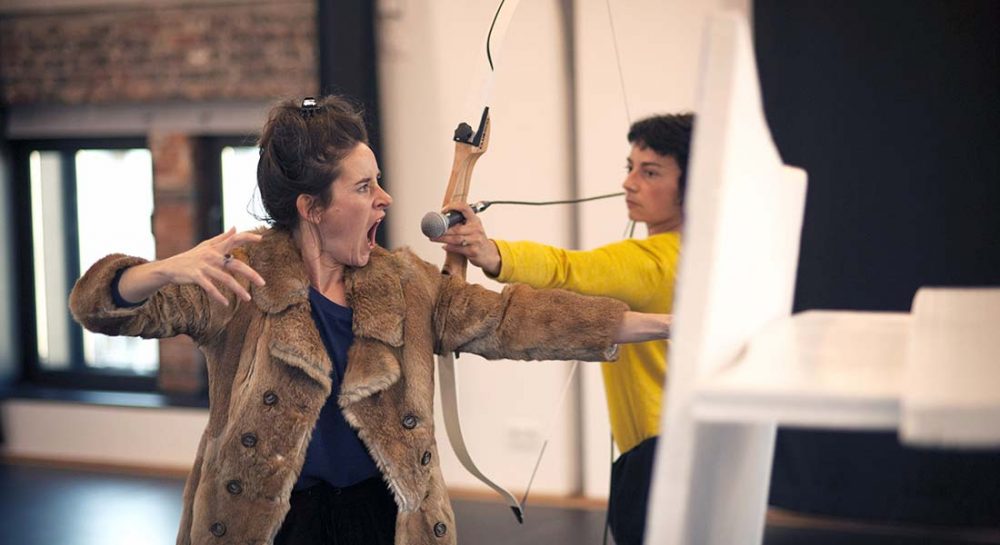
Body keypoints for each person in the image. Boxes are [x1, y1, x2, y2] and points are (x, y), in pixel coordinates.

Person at [68, 95, 671, 545]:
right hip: (265, 521)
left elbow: (517, 318)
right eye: (364, 186)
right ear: (311, 208)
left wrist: (670, 326)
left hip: (384, 518)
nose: (384, 198)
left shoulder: (404, 282)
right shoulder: (235, 278)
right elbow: (98, 307)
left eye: (378, 181)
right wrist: (160, 270)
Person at [432, 113, 694, 545]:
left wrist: (489, 252)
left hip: (656, 457)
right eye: (629, 168)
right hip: (692, 447)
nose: (630, 182)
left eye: (650, 173)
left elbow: (571, 270)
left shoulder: (656, 262)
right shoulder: (704, 249)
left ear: (694, 184)